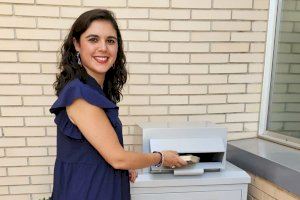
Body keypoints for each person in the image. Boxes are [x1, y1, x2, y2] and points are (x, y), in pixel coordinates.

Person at [49, 9, 187, 200]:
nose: (103, 47)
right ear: (76, 44)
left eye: (110, 41)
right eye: (93, 39)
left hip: (100, 185)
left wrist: (128, 163)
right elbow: (117, 158)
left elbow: (99, 149)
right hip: (89, 192)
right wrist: (161, 158)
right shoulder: (80, 95)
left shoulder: (94, 90)